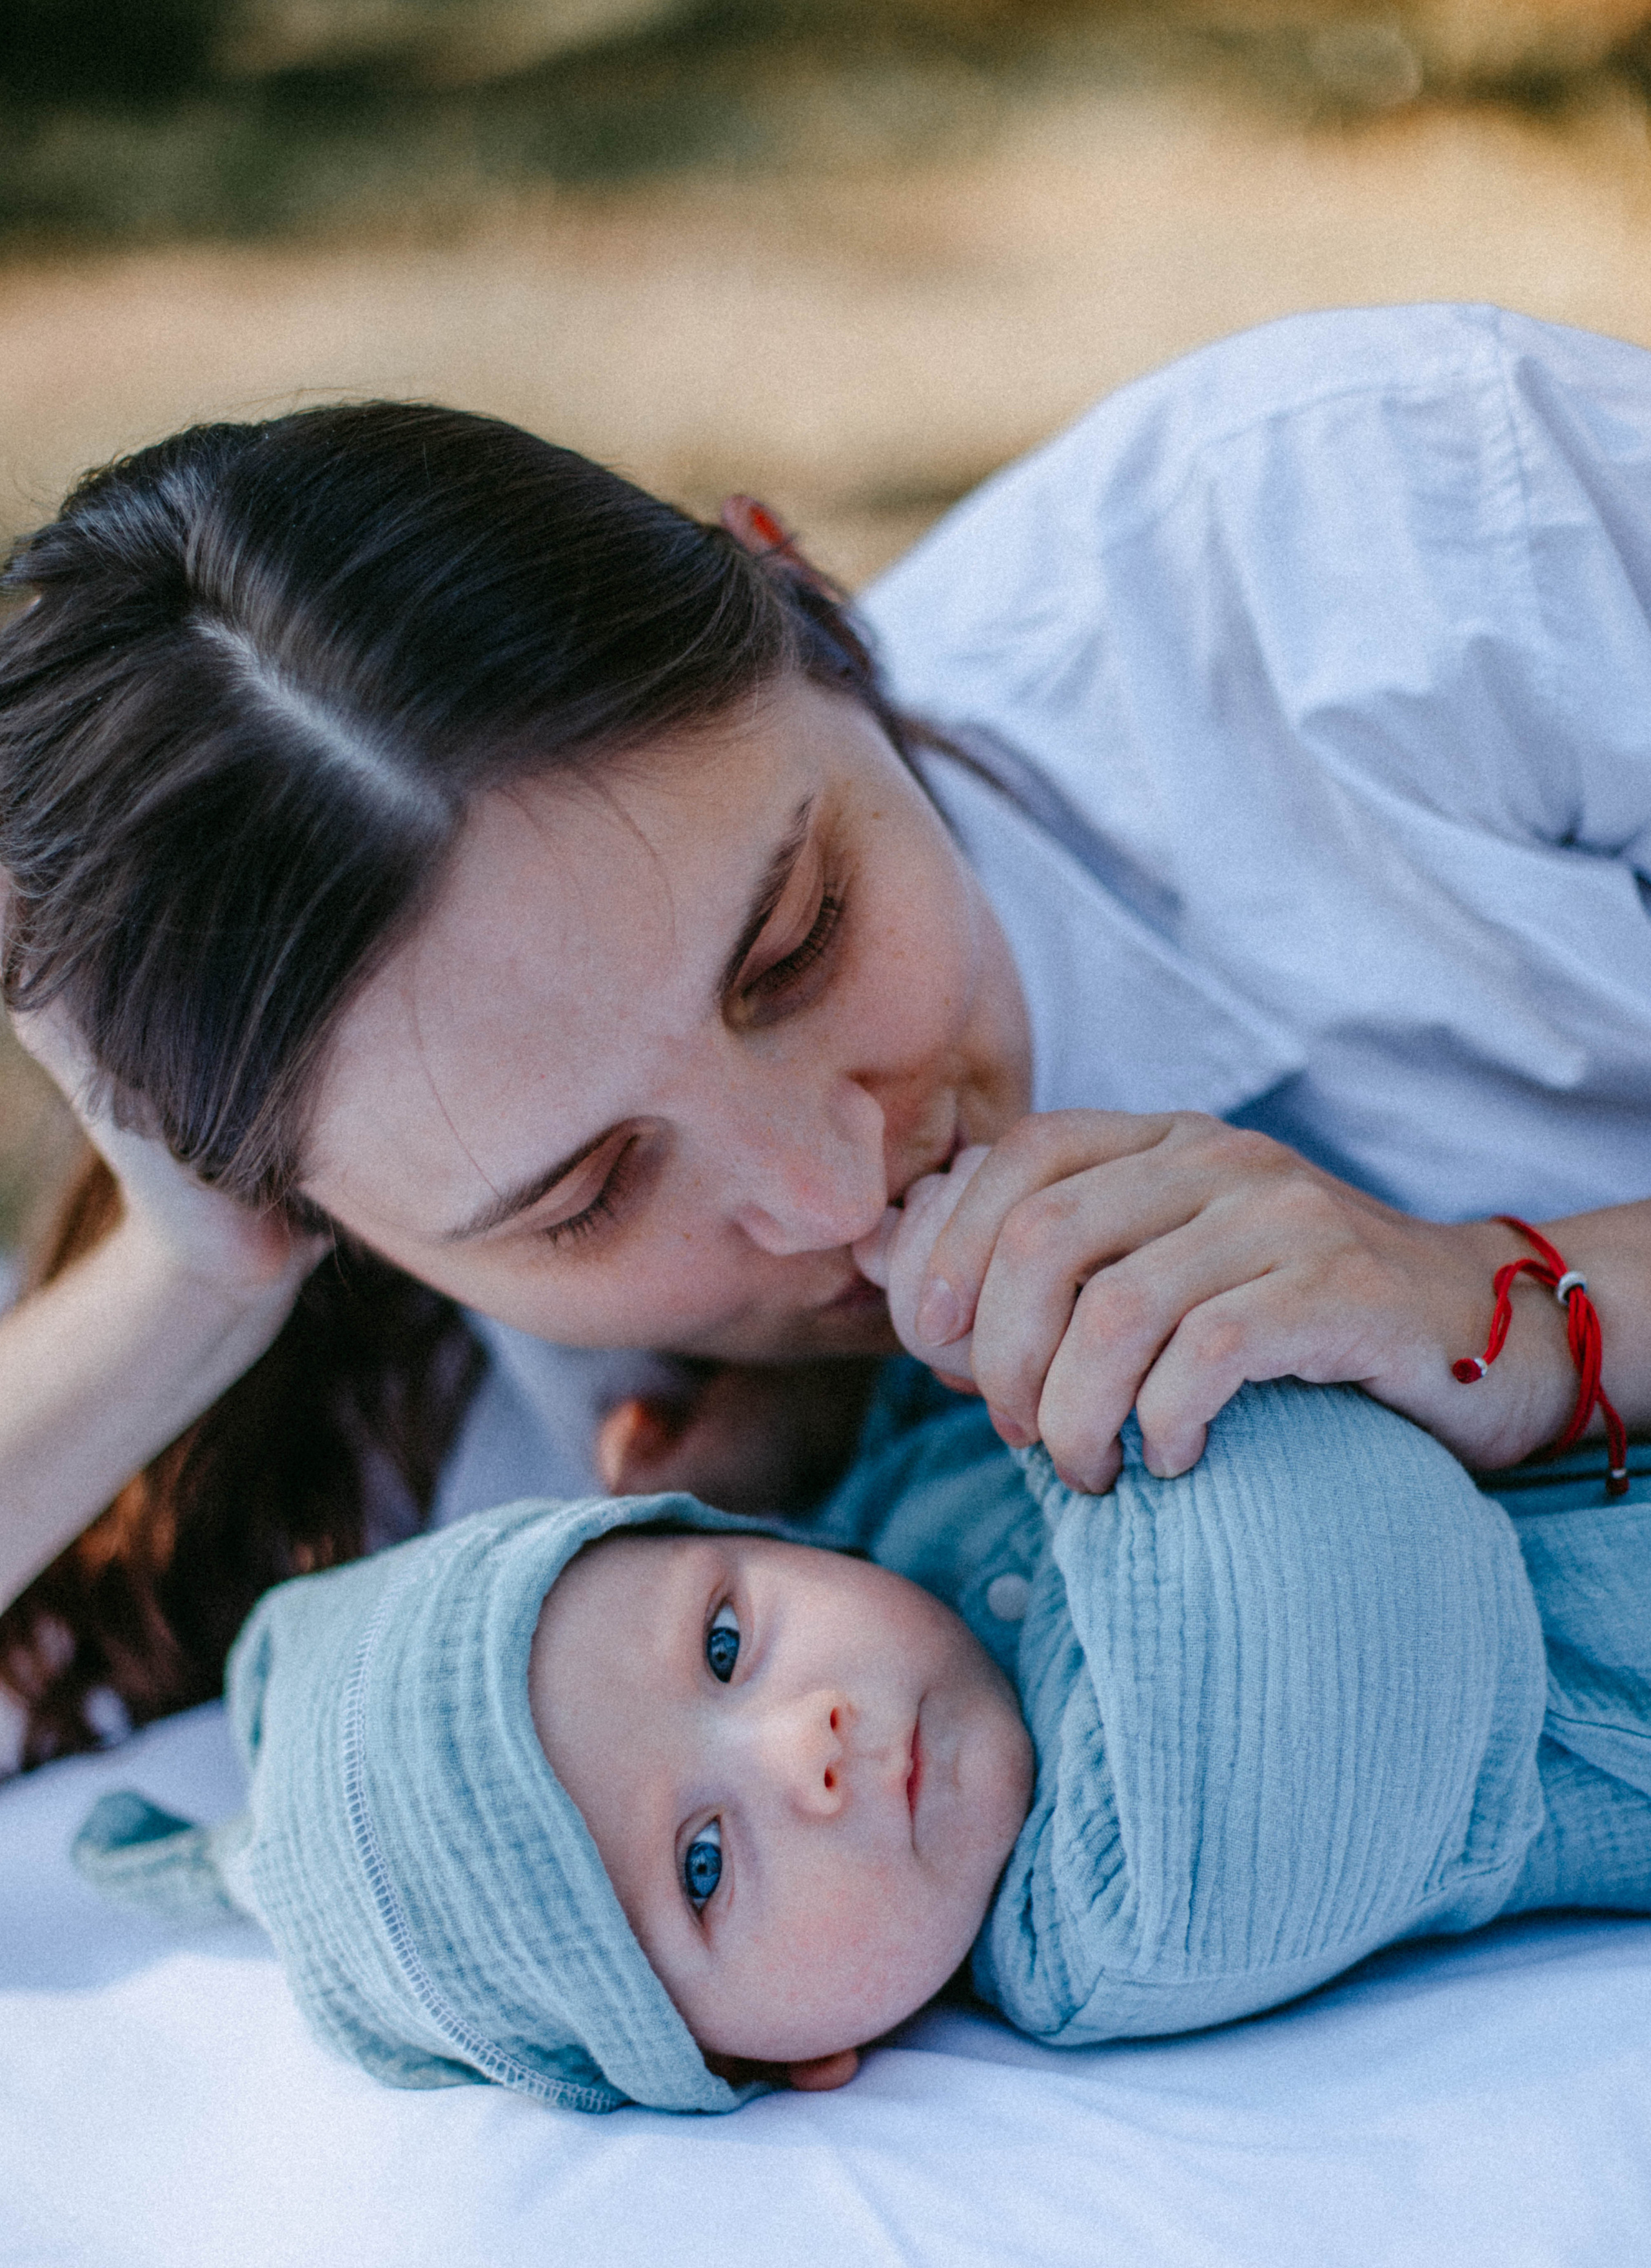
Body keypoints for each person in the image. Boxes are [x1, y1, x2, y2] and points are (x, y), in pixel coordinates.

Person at [5, 301, 1651, 1767]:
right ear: (353, 1226)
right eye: (584, 1198)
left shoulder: (1409, 552)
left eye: (796, 944)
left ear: (804, 597)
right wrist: (190, 1285)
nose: (832, 1186)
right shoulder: (468, 1420)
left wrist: (1515, 1311)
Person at [70, 1366, 1651, 2113]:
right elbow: (1325, 1533)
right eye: (700, 1864)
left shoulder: (891, 1505)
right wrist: (1042, 1341)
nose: (800, 1745)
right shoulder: (1115, 1903)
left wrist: (817, 1414)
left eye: (721, 1639)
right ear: (766, 2056)